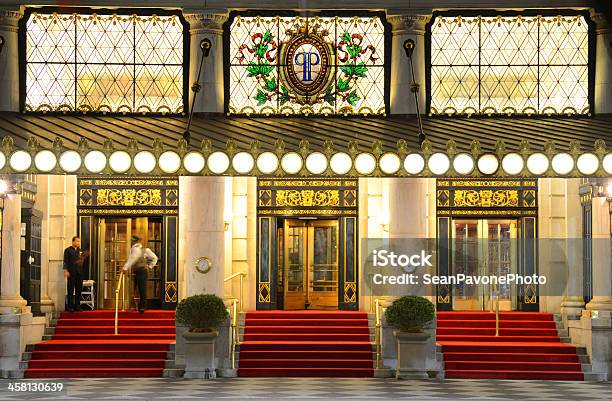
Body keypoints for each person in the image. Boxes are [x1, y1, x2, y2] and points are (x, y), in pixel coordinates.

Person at [123, 235, 158, 312]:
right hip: (134, 272)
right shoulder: (132, 250)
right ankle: (133, 306)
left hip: (142, 271)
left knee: (142, 289)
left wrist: (150, 266)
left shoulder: (145, 250)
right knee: (132, 290)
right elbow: (131, 260)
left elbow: (155, 258)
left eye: (133, 241)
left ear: (136, 241)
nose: (132, 242)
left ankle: (142, 307)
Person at [63, 236, 89, 312]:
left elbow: (82, 262)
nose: (78, 243)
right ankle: (70, 306)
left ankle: (77, 306)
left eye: (79, 242)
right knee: (70, 290)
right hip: (71, 273)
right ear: (73, 241)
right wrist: (66, 270)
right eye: (77, 241)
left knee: (79, 290)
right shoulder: (67, 250)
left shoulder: (80, 251)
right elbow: (65, 261)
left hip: (79, 273)